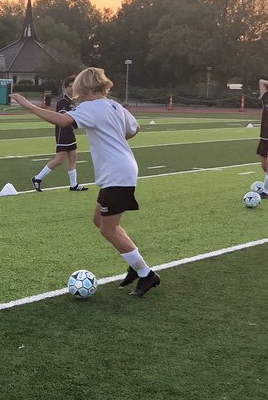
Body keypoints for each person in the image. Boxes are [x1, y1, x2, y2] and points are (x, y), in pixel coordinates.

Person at [13, 69, 160, 298]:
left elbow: (63, 120)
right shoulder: (114, 105)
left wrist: (27, 105)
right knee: (100, 220)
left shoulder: (91, 107)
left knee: (108, 228)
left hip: (117, 172)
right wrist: (113, 137)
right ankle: (135, 263)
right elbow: (134, 128)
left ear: (86, 87)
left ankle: (146, 274)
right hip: (121, 169)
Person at [31, 75, 88, 192]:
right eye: (70, 86)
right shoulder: (63, 100)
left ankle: (73, 185)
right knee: (59, 159)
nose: (72, 89)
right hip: (63, 133)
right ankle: (37, 178)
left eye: (74, 86)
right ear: (65, 88)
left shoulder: (71, 100)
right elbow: (63, 117)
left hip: (70, 132)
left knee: (73, 157)